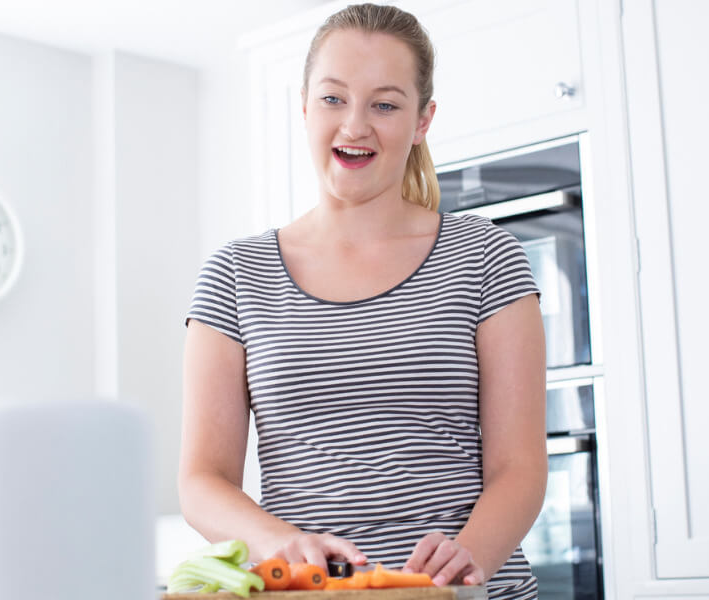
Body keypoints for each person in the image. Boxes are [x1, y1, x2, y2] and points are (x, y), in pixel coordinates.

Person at [180, 4, 547, 598]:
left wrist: (465, 559)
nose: (355, 126)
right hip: (310, 591)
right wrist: (280, 543)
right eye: (333, 99)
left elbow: (520, 468)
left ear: (423, 120)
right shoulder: (236, 275)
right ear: (304, 106)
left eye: (385, 104)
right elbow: (202, 480)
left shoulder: (488, 258)